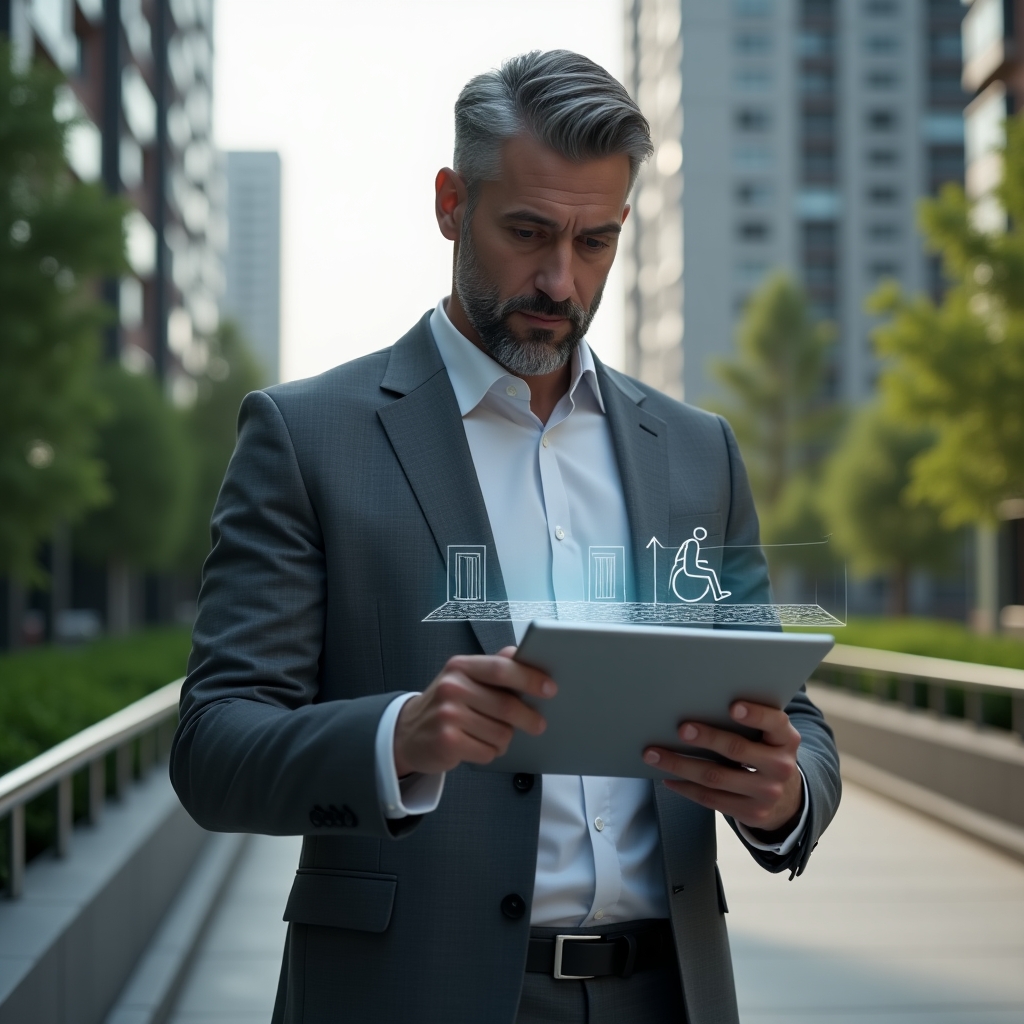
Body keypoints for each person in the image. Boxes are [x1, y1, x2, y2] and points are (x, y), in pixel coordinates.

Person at [171, 50, 840, 1024]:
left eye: (595, 242)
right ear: (450, 201)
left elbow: (795, 714)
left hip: (667, 993)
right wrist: (398, 737)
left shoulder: (699, 455)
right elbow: (215, 748)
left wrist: (783, 793)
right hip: (406, 993)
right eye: (527, 232)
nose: (559, 280)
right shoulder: (305, 437)